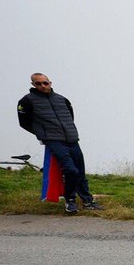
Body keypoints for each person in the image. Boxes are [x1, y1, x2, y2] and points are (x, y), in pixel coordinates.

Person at [17, 72, 102, 214]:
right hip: (54, 141)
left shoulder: (62, 99)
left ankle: (88, 201)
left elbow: (70, 117)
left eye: (45, 82)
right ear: (33, 85)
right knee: (70, 170)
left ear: (50, 82)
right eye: (39, 83)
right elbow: (24, 123)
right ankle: (70, 201)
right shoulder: (26, 101)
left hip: (72, 139)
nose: (43, 86)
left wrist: (69, 131)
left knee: (80, 171)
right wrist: (43, 134)